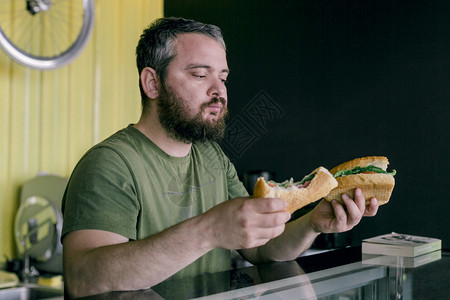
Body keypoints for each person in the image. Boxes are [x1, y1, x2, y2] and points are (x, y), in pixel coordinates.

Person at [61, 17, 379, 298]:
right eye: (201, 75)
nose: (219, 91)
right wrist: (208, 230)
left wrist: (313, 223)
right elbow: (84, 280)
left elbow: (259, 248)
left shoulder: (210, 155)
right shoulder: (108, 163)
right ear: (152, 83)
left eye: (223, 77)